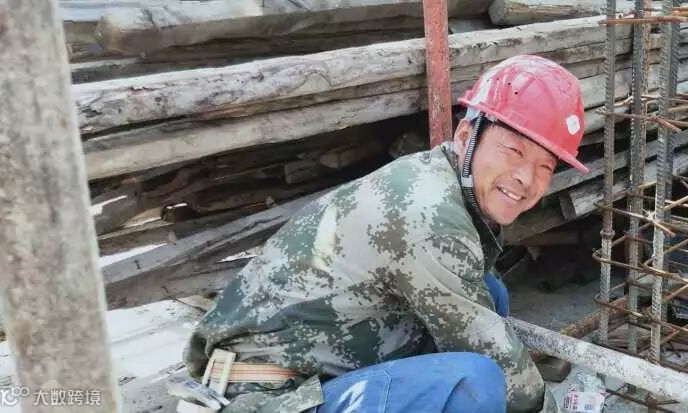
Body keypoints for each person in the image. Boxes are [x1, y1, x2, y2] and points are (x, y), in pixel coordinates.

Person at [183, 54, 589, 413]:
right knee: (476, 383)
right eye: (514, 151)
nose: (525, 178)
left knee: (489, 293)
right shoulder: (431, 215)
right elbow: (499, 364)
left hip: (309, 366)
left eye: (545, 167)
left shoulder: (437, 177)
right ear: (466, 136)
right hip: (265, 395)